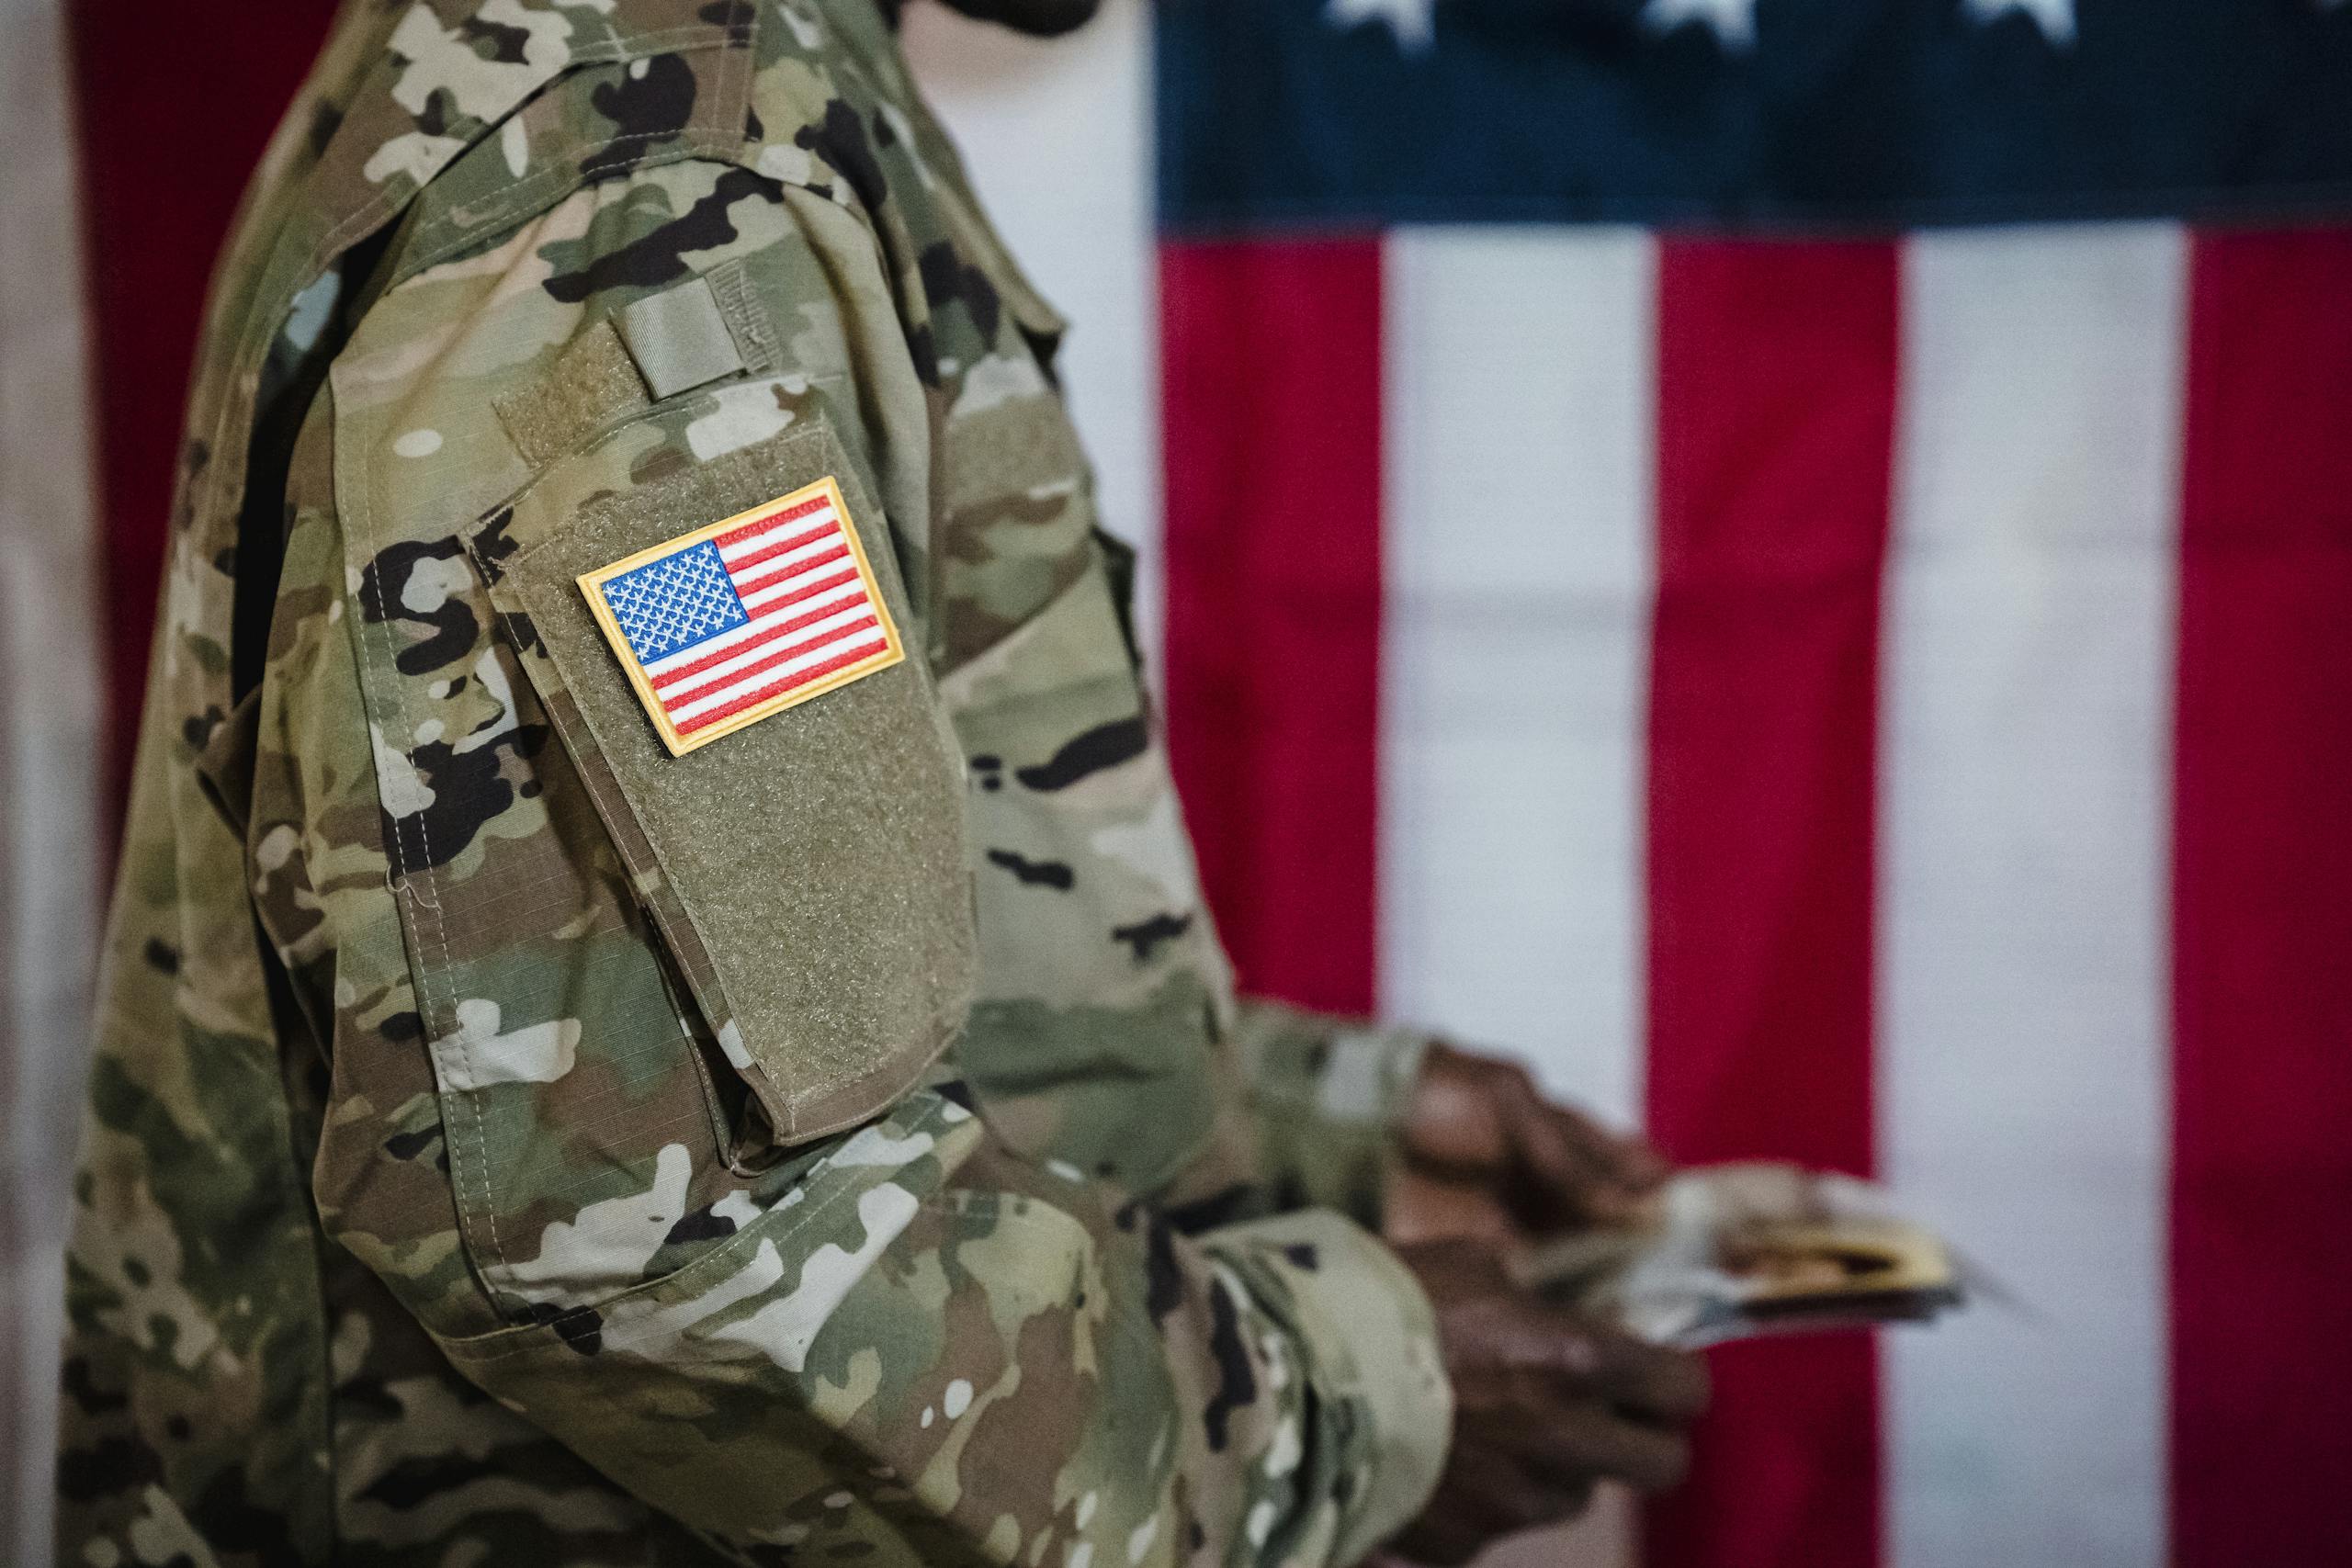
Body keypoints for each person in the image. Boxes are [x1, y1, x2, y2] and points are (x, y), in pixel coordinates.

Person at [55, 1, 1705, 1563]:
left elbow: (756, 981)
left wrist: (1301, 1127)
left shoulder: (706, 92)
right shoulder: (651, 209)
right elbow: (661, 1223)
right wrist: (1349, 1397)